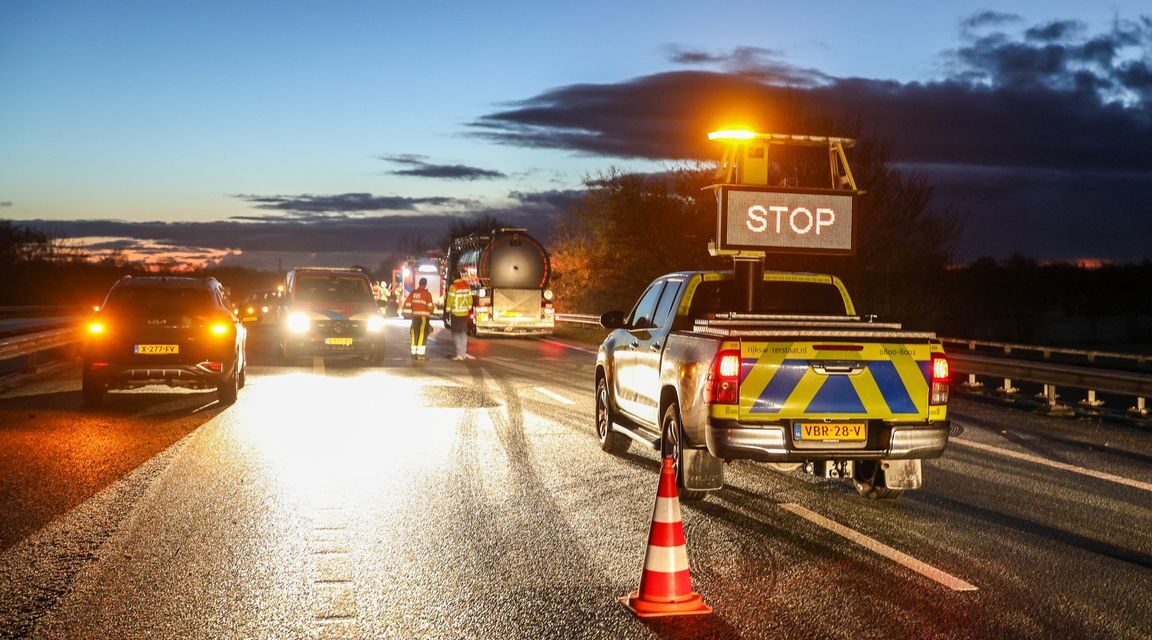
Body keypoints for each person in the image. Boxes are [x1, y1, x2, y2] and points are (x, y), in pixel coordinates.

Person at [402, 277, 433, 360]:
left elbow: (407, 304)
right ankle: (420, 354)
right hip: (423, 317)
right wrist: (431, 309)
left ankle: (413, 353)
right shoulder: (427, 294)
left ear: (419, 283)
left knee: (414, 333)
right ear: (425, 284)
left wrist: (414, 307)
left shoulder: (413, 292)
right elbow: (430, 307)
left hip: (415, 317)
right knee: (422, 334)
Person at [446, 270, 472, 360]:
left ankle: (459, 353)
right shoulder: (467, 286)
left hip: (456, 313)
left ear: (453, 277)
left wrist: (447, 311)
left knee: (455, 333)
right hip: (464, 313)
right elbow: (470, 299)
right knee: (463, 334)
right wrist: (468, 308)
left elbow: (450, 300)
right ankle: (463, 353)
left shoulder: (453, 287)